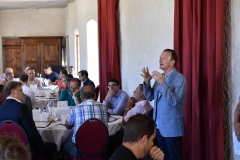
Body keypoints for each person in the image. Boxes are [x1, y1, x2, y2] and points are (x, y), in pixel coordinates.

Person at [141, 49, 187, 160]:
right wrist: (147, 82)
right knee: (163, 156)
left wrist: (162, 83)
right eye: (160, 57)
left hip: (172, 126)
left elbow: (174, 101)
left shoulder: (180, 78)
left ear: (172, 62)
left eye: (164, 58)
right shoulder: (159, 77)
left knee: (174, 157)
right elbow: (150, 96)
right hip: (158, 126)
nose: (160, 60)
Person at [0, 81, 57, 159]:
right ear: (13, 92)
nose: (23, 93)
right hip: (25, 148)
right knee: (53, 146)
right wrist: (40, 143)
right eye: (21, 90)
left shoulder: (1, 108)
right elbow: (32, 133)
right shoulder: (22, 107)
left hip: (7, 150)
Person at [63, 85, 107, 159]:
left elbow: (68, 126)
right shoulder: (103, 108)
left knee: (64, 146)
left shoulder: (76, 109)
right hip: (100, 149)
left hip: (80, 151)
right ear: (95, 95)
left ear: (81, 97)